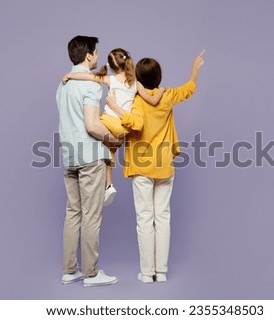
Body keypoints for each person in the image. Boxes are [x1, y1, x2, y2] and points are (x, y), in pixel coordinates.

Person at [106, 50, 205, 283]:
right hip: (164, 167)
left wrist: (116, 107)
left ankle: (146, 272)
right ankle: (161, 272)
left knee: (144, 219)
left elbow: (134, 123)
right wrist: (196, 67)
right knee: (163, 218)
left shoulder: (137, 101)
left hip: (141, 167)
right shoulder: (167, 96)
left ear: (138, 78)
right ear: (159, 77)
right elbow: (189, 88)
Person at [62, 48, 165, 207]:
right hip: (124, 127)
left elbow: (86, 76)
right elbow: (153, 101)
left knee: (92, 132)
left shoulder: (111, 80)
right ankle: (109, 186)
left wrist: (69, 75)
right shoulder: (136, 84)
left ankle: (105, 184)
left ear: (111, 66)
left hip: (109, 122)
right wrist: (162, 91)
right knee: (110, 150)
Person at [56, 35, 119, 287]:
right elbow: (92, 125)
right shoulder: (91, 86)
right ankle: (91, 274)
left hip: (69, 156)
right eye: (96, 52)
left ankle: (69, 271)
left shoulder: (62, 84)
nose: (98, 56)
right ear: (89, 55)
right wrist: (113, 139)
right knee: (91, 216)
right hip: (90, 157)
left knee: (73, 214)